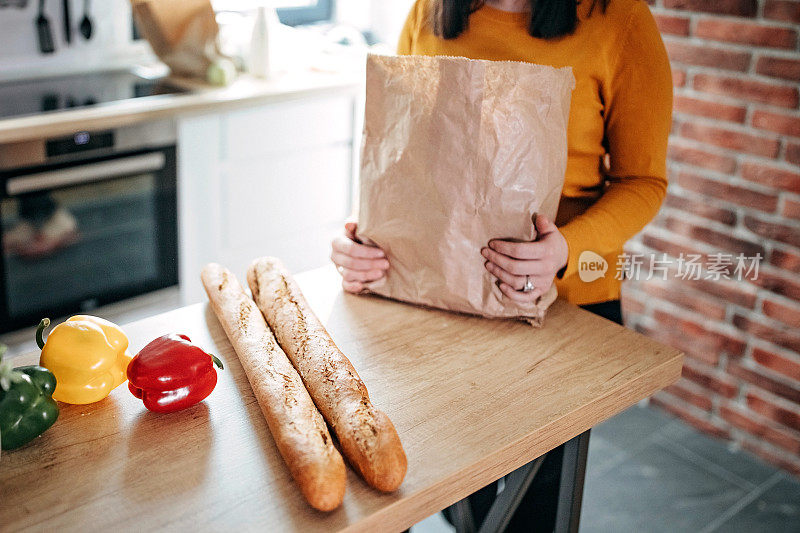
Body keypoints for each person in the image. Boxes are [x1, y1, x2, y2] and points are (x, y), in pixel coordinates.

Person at [331, 0, 672, 530]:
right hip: (435, 298)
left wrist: (564, 249)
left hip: (566, 308)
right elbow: (409, 157)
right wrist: (362, 234)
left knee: (528, 511)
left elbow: (644, 183)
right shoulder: (430, 10)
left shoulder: (620, 20)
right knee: (446, 490)